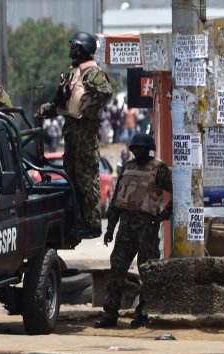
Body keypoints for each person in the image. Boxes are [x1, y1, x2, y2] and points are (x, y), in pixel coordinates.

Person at [39, 32, 113, 238]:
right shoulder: (73, 73)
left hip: (85, 133)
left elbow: (106, 92)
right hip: (71, 131)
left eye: (73, 46)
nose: (70, 49)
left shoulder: (91, 73)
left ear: (81, 48)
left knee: (86, 178)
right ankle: (78, 221)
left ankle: (92, 224)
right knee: (71, 177)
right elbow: (62, 103)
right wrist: (45, 111)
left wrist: (86, 111)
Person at [94, 134, 172, 328]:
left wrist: (163, 216)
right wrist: (110, 228)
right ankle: (110, 314)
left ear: (148, 149)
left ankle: (143, 314)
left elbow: (177, 192)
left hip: (147, 227)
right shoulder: (127, 168)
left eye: (140, 148)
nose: (137, 151)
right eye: (134, 148)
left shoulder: (159, 169)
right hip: (126, 226)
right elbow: (116, 201)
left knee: (147, 271)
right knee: (116, 270)